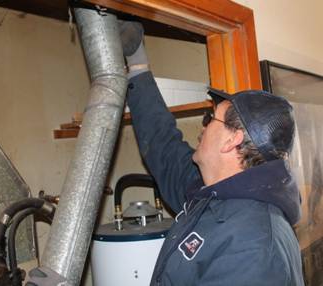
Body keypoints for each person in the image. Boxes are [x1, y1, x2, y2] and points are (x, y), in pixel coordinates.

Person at [119, 21, 304, 286]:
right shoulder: (214, 193)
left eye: (210, 118)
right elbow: (164, 148)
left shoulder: (254, 246)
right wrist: (137, 63)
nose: (203, 126)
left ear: (232, 139)